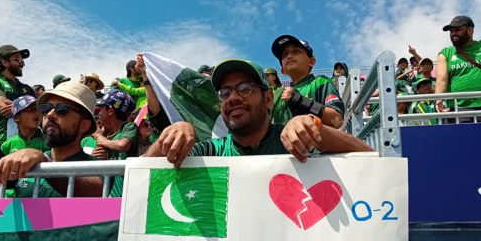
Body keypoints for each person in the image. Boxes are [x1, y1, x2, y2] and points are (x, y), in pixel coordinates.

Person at [143, 59, 373, 167]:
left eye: (245, 88)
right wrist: (172, 135)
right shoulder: (211, 149)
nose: (233, 97)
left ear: (268, 99)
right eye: (224, 92)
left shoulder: (293, 139)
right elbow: (140, 170)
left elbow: (373, 158)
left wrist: (314, 128)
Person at [270, 35, 345, 128]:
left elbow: (337, 120)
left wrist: (300, 101)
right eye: (285, 54)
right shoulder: (277, 95)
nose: (289, 56)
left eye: (296, 51)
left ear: (311, 61)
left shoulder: (320, 82)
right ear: (282, 70)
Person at [435, 15, 481, 122]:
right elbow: (441, 81)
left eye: (458, 29)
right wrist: (438, 99)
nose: (453, 33)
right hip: (458, 108)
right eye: (451, 31)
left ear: (470, 30)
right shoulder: (445, 53)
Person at [0, 44, 35, 163]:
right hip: (1, 141)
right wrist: (26, 107)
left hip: (26, 141)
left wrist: (16, 107)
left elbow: (37, 111)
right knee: (0, 181)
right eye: (17, 59)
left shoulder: (27, 88)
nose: (22, 63)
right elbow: (4, 107)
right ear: (4, 63)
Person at [82, 89, 137, 197]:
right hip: (107, 199)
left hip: (126, 199)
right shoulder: (107, 136)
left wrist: (100, 137)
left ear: (110, 110)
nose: (99, 114)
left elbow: (122, 145)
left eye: (101, 110)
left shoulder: (129, 127)